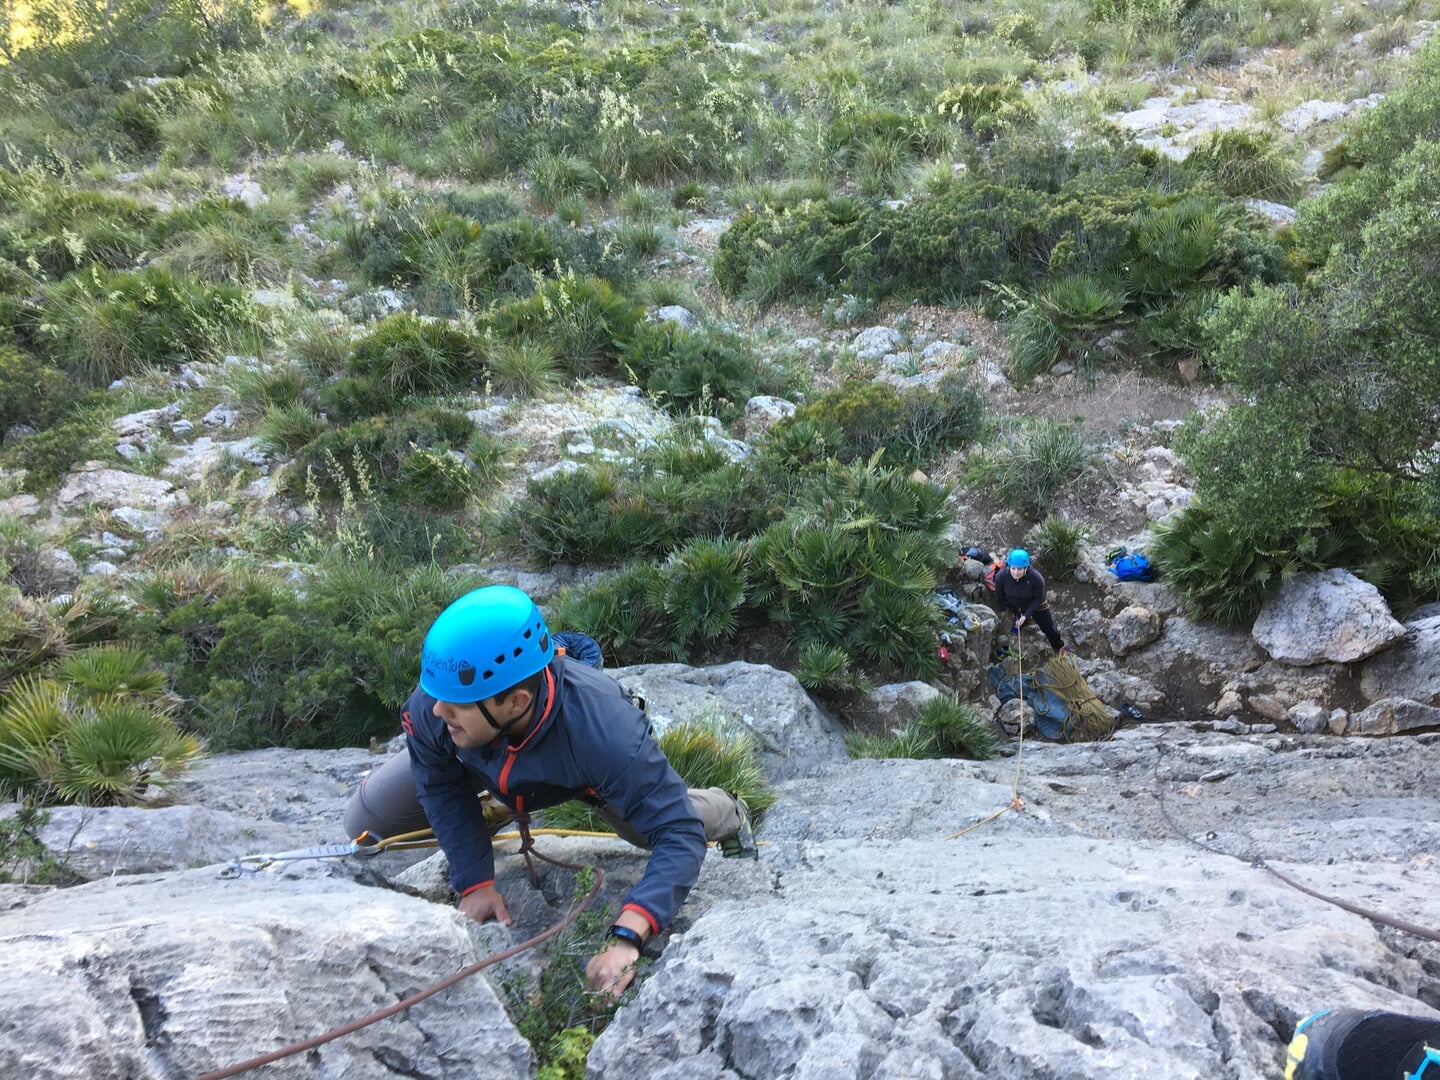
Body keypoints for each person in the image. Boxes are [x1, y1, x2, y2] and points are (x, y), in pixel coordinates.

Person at [346, 585, 756, 999]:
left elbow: (678, 832)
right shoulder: (437, 702)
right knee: (366, 823)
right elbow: (438, 784)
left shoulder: (605, 731)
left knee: (649, 830)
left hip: (578, 773)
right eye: (438, 698)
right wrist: (474, 881)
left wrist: (629, 935)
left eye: (455, 703)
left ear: (516, 701)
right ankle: (498, 803)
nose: (437, 710)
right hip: (483, 757)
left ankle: (729, 808)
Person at [991, 548, 1067, 654]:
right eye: (1013, 568)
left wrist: (1026, 615)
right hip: (1014, 603)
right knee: (1017, 622)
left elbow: (1038, 599)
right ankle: (1020, 622)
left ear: (1026, 568)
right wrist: (1003, 611)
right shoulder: (1001, 577)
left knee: (1049, 628)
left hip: (1035, 605)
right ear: (1009, 566)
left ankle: (1059, 647)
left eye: (1020, 569)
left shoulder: (1036, 579)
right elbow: (999, 595)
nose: (1016, 572)